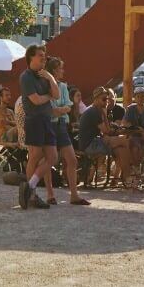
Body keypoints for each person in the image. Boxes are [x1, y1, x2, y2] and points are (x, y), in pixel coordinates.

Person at [17, 44, 58, 210]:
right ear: (31, 57)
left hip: (46, 120)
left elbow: (57, 94)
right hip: (34, 120)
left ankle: (29, 186)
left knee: (53, 158)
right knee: (34, 156)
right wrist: (48, 96)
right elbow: (36, 100)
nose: (44, 58)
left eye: (44, 55)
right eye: (40, 55)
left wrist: (51, 78)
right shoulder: (26, 76)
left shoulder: (44, 75)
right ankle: (32, 196)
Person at [45, 57, 89, 206]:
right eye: (60, 68)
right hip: (49, 126)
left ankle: (74, 195)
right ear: (54, 70)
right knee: (49, 160)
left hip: (62, 126)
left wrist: (60, 110)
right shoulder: (45, 85)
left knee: (72, 159)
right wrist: (60, 110)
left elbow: (67, 106)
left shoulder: (63, 86)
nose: (63, 71)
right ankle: (50, 194)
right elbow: (51, 109)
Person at [78, 86, 132, 187]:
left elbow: (107, 131)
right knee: (125, 141)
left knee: (121, 148)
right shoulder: (94, 112)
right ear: (96, 99)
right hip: (89, 145)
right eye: (104, 99)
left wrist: (104, 113)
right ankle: (131, 172)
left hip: (95, 142)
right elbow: (107, 131)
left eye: (107, 99)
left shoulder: (98, 110)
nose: (107, 101)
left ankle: (127, 178)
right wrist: (105, 113)